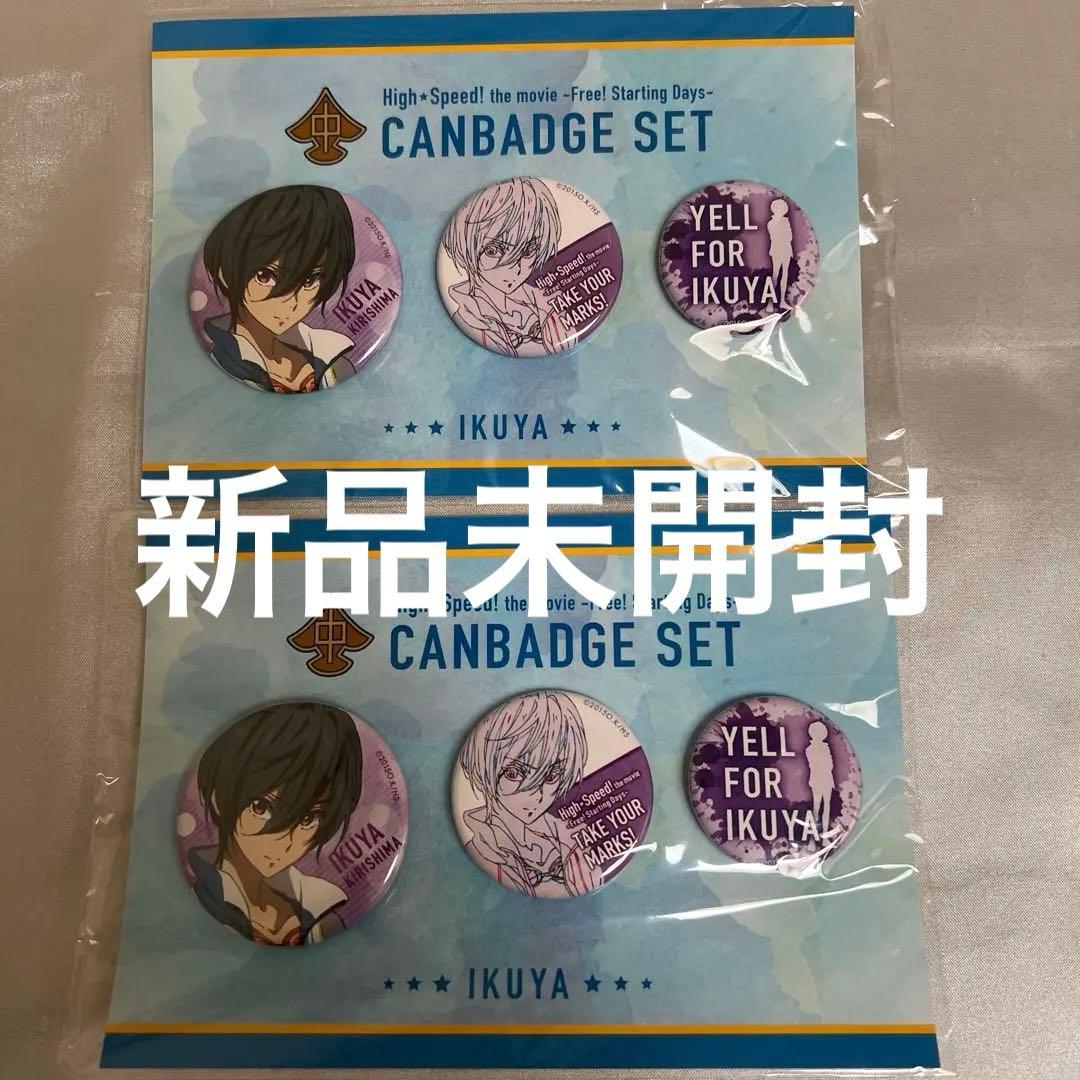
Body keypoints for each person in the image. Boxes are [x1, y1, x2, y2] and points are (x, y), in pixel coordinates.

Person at [188, 702, 362, 945]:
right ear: (219, 798)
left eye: (308, 819)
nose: (284, 841)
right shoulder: (198, 904)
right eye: (261, 807)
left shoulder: (320, 913)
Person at [200, 185, 356, 392]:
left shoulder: (332, 363)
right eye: (265, 276)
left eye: (310, 280)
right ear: (224, 272)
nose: (291, 302)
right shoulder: (219, 364)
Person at [458, 691, 601, 897]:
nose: (536, 795)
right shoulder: (484, 852)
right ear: (482, 767)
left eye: (551, 775)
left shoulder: (574, 839)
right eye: (513, 773)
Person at [441, 178, 571, 356]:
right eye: (493, 251)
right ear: (464, 245)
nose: (515, 268)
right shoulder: (469, 321)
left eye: (528, 250)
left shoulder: (547, 304)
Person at [805, 719, 836, 837]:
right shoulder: (812, 749)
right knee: (818, 807)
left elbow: (830, 764)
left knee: (824, 806)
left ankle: (823, 833)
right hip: (819, 779)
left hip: (824, 778)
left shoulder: (821, 748)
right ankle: (815, 833)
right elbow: (827, 764)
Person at [766, 197, 794, 309]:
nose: (780, 210)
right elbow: (776, 236)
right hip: (777, 249)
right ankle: (770, 302)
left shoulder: (785, 222)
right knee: (775, 275)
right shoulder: (771, 223)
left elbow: (790, 237)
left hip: (786, 249)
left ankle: (782, 301)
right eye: (778, 208)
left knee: (785, 274)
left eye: (782, 208)